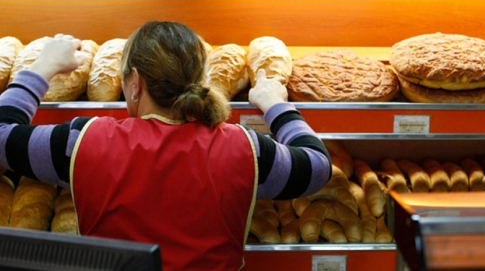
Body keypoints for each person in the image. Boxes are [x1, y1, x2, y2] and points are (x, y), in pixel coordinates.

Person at [0, 21, 332, 271]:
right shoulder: (246, 148)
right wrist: (277, 106)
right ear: (201, 81)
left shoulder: (83, 142)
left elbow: (2, 132)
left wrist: (43, 68)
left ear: (134, 83)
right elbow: (317, 165)